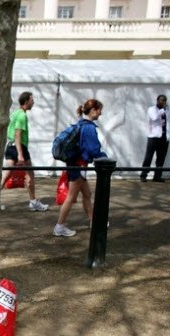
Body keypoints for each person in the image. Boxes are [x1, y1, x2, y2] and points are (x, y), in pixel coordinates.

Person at [53, 99, 107, 237]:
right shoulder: (88, 127)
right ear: (93, 110)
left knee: (87, 194)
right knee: (71, 197)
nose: (101, 113)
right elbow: (92, 149)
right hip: (78, 166)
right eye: (99, 109)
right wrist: (103, 156)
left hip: (76, 165)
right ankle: (59, 226)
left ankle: (93, 221)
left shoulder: (81, 124)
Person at [0, 91, 49, 212]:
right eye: (32, 100)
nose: (33, 102)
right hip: (19, 147)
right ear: (26, 101)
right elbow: (17, 134)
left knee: (6, 175)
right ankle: (33, 202)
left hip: (10, 146)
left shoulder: (15, 113)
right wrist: (20, 154)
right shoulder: (22, 115)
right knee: (30, 175)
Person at [140, 94, 170, 182]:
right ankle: (143, 175)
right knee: (148, 157)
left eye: (164, 100)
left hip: (164, 137)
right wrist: (162, 110)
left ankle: (157, 176)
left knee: (161, 158)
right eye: (161, 100)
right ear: (157, 101)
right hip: (153, 137)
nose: (163, 102)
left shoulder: (167, 110)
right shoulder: (152, 109)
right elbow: (154, 118)